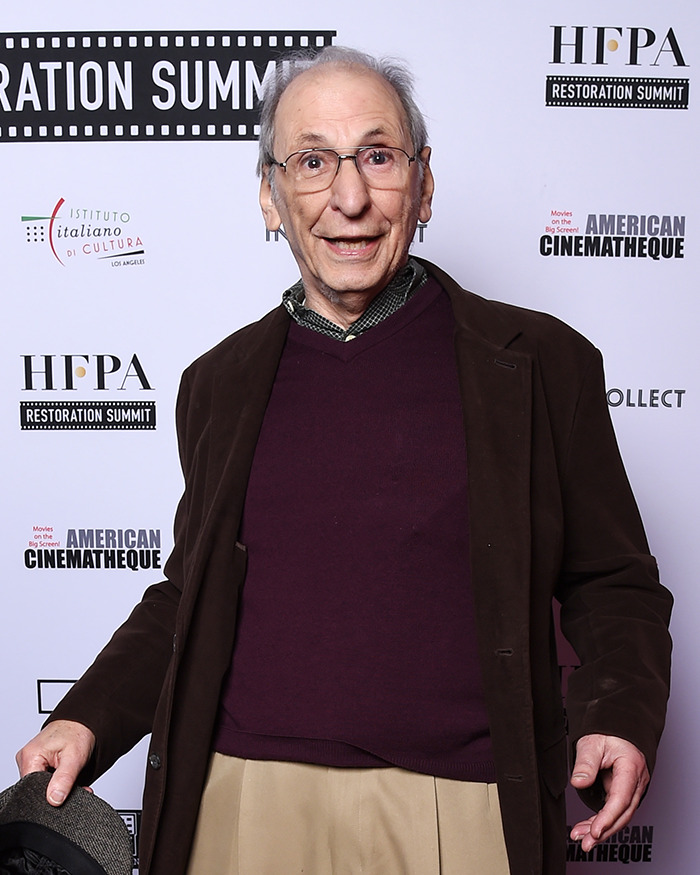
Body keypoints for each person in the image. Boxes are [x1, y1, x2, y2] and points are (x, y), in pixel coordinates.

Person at [16, 47, 672, 875]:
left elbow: (612, 580)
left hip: (462, 804)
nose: (349, 197)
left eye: (378, 157)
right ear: (270, 195)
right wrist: (88, 716)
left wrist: (620, 710)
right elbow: (190, 593)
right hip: (242, 802)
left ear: (423, 184)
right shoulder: (217, 382)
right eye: (313, 161)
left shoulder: (542, 363)